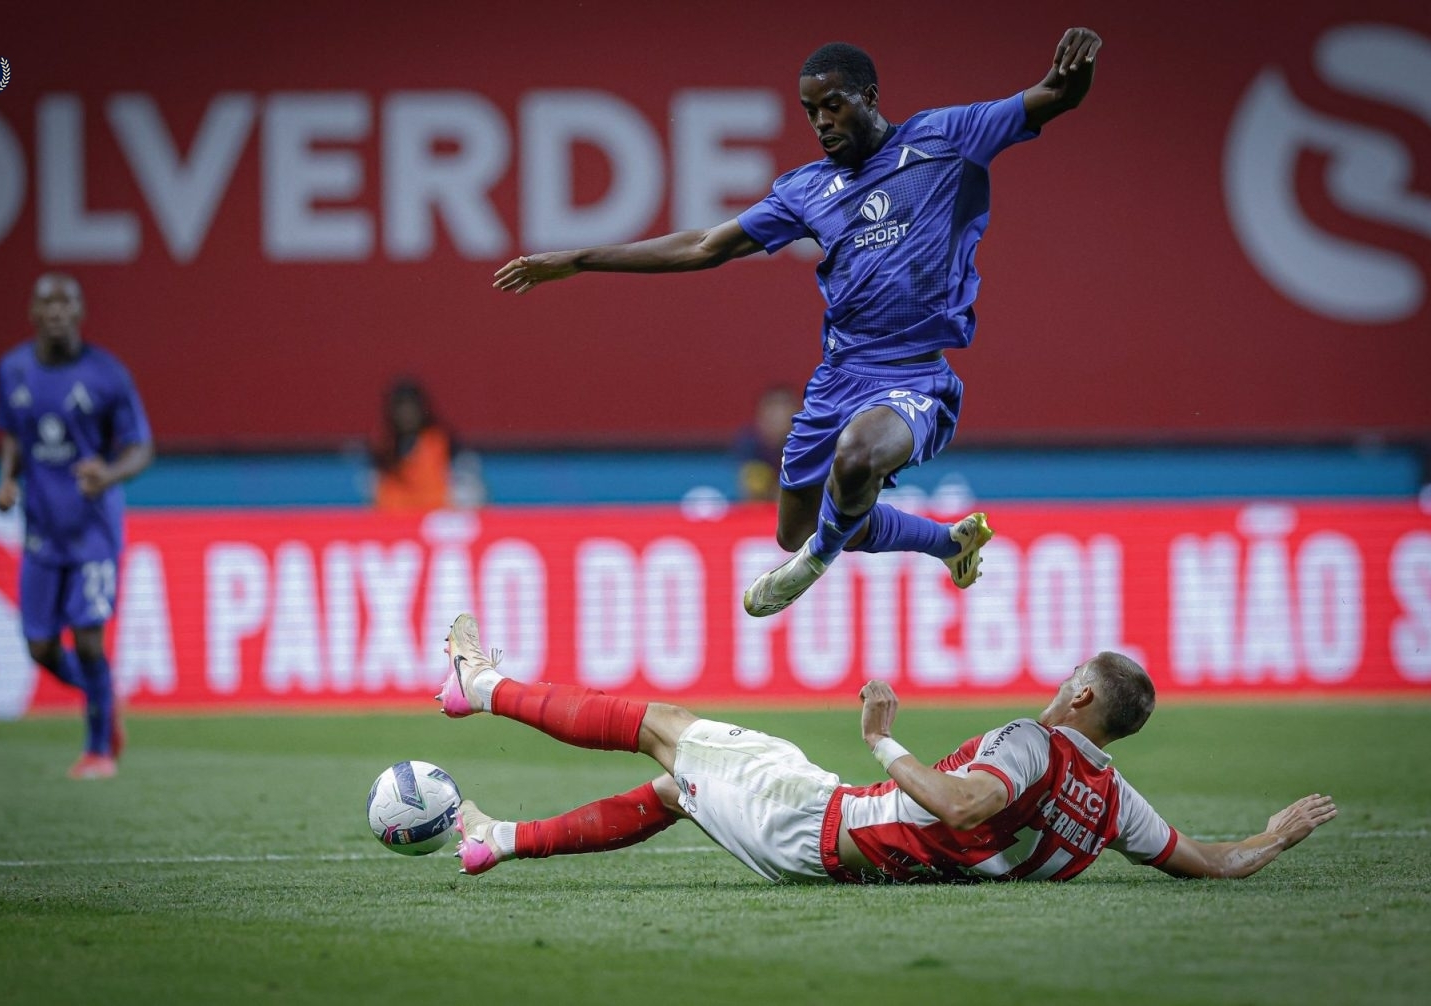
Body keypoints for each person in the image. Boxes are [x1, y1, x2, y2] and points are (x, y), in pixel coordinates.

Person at [494, 29, 1108, 617]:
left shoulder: (947, 138)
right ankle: (946, 543)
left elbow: (1055, 95)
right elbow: (705, 244)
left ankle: (816, 561)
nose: (821, 122)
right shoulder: (808, 190)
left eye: (833, 105)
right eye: (811, 111)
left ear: (869, 97)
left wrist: (1075, 70)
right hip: (838, 378)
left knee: (856, 460)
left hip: (914, 376)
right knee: (798, 526)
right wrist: (580, 258)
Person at [434, 612, 1337, 884]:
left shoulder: (1034, 742)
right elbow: (1206, 860)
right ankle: (497, 840)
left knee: (661, 727)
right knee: (679, 792)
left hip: (815, 822)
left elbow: (965, 804)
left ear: (1084, 696)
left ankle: (480, 687)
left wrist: (882, 740)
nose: (1061, 683)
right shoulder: (1111, 800)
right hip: (839, 849)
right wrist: (1271, 838)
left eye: (1072, 676)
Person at [0, 273, 153, 780]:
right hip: (41, 530)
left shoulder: (107, 375)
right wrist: (7, 479)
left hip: (92, 532)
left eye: (67, 303)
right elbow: (14, 434)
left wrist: (108, 474)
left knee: (88, 643)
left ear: (80, 313)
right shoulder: (13, 369)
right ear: (33, 313)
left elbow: (142, 448)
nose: (58, 311)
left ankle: (98, 750)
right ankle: (101, 696)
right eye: (48, 303)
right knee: (40, 648)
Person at [372, 378, 459, 513]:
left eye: (411, 407)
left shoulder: (443, 443)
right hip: (395, 520)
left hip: (433, 518)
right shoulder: (384, 449)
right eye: (400, 408)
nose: (406, 414)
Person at [733, 384, 799, 503]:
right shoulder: (750, 444)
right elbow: (752, 492)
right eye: (772, 410)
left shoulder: (808, 445)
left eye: (783, 409)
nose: (777, 417)